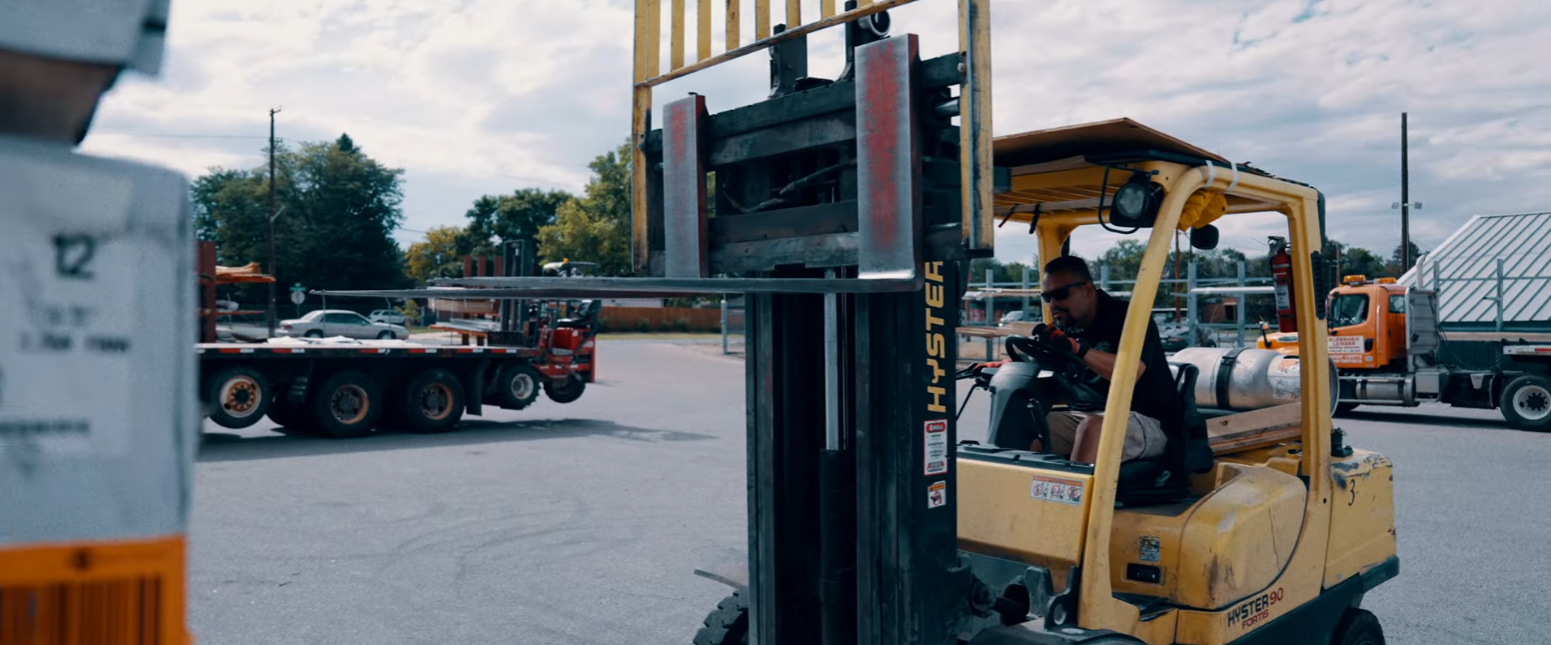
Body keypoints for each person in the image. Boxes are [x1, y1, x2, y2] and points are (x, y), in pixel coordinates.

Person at [1025, 255, 1179, 465]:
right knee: (1028, 425)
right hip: (1087, 414)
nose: (1053, 304)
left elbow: (1130, 374)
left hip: (1146, 420)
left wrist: (1079, 349)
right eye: (1047, 297)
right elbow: (1045, 369)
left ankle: (1074, 496)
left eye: (1060, 294)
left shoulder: (1128, 318)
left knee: (1094, 428)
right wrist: (1005, 368)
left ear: (1087, 289)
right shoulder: (1068, 326)